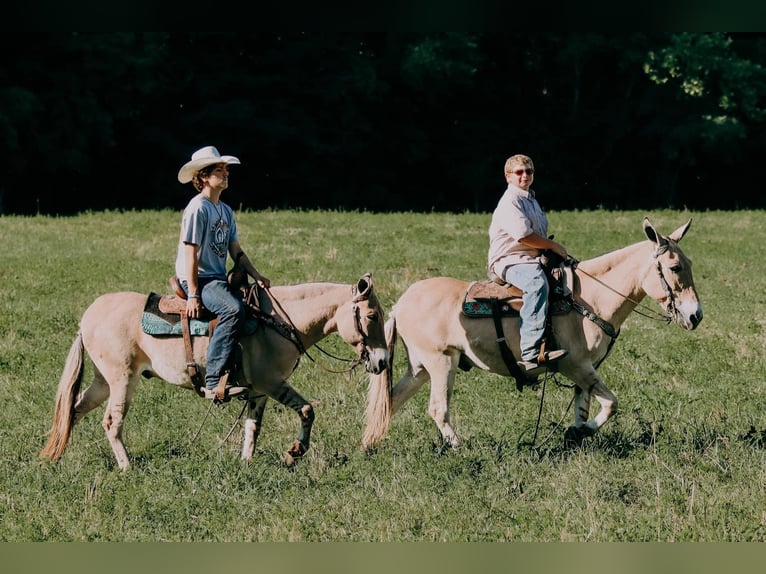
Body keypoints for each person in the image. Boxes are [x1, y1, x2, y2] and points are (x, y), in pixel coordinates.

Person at [175, 145, 271, 400]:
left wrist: (257, 275)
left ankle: (241, 371)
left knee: (253, 314)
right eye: (220, 170)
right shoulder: (198, 208)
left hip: (216, 279)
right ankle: (213, 378)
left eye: (226, 169)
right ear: (204, 176)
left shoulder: (226, 211)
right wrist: (193, 294)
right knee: (232, 309)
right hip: (199, 279)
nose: (226, 174)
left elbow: (236, 251)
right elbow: (190, 254)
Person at [487, 154, 568, 372]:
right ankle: (531, 352)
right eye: (519, 172)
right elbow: (523, 236)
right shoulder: (510, 201)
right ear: (508, 177)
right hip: (509, 260)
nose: (524, 175)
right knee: (536, 284)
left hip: (530, 258)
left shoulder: (530, 199)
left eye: (528, 171)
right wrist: (553, 247)